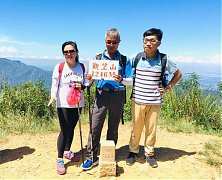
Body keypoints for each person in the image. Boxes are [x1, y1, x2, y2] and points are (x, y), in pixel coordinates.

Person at [126, 28, 182, 168]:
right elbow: (124, 66)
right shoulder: (136, 58)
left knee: (151, 129)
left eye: (152, 40)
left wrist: (169, 87)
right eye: (146, 40)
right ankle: (133, 152)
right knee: (136, 128)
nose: (148, 43)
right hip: (137, 100)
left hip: (155, 101)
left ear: (159, 43)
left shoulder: (164, 59)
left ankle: (149, 154)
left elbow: (178, 74)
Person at [81, 28, 130, 170]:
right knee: (95, 126)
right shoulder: (97, 58)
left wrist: (122, 79)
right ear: (105, 41)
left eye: (114, 42)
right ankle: (91, 156)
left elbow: (130, 80)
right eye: (109, 41)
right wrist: (89, 79)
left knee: (113, 127)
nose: (111, 44)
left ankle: (109, 154)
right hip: (101, 95)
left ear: (119, 43)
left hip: (117, 95)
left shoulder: (124, 59)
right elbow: (90, 81)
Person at [48, 41, 86, 175]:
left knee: (72, 127)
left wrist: (83, 86)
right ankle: (59, 159)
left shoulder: (82, 66)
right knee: (65, 130)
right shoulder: (60, 67)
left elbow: (86, 83)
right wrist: (52, 96)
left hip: (78, 102)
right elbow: (54, 84)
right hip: (63, 103)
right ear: (63, 54)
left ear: (76, 52)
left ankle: (67, 151)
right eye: (66, 52)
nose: (69, 54)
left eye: (71, 51)